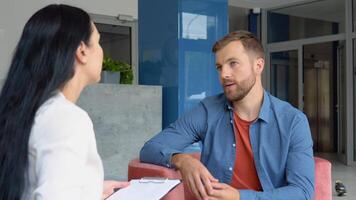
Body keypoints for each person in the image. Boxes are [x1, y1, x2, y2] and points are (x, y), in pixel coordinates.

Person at [140, 31, 315, 200]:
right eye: (219, 67)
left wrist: (240, 197)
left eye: (233, 63)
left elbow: (302, 192)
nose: (224, 74)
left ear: (258, 65)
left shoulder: (293, 121)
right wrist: (182, 159)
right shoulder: (207, 110)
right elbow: (150, 148)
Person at [0, 4, 128, 200]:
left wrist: (92, 190)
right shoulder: (65, 119)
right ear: (82, 51)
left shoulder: (24, 112)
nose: (102, 51)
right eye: (98, 42)